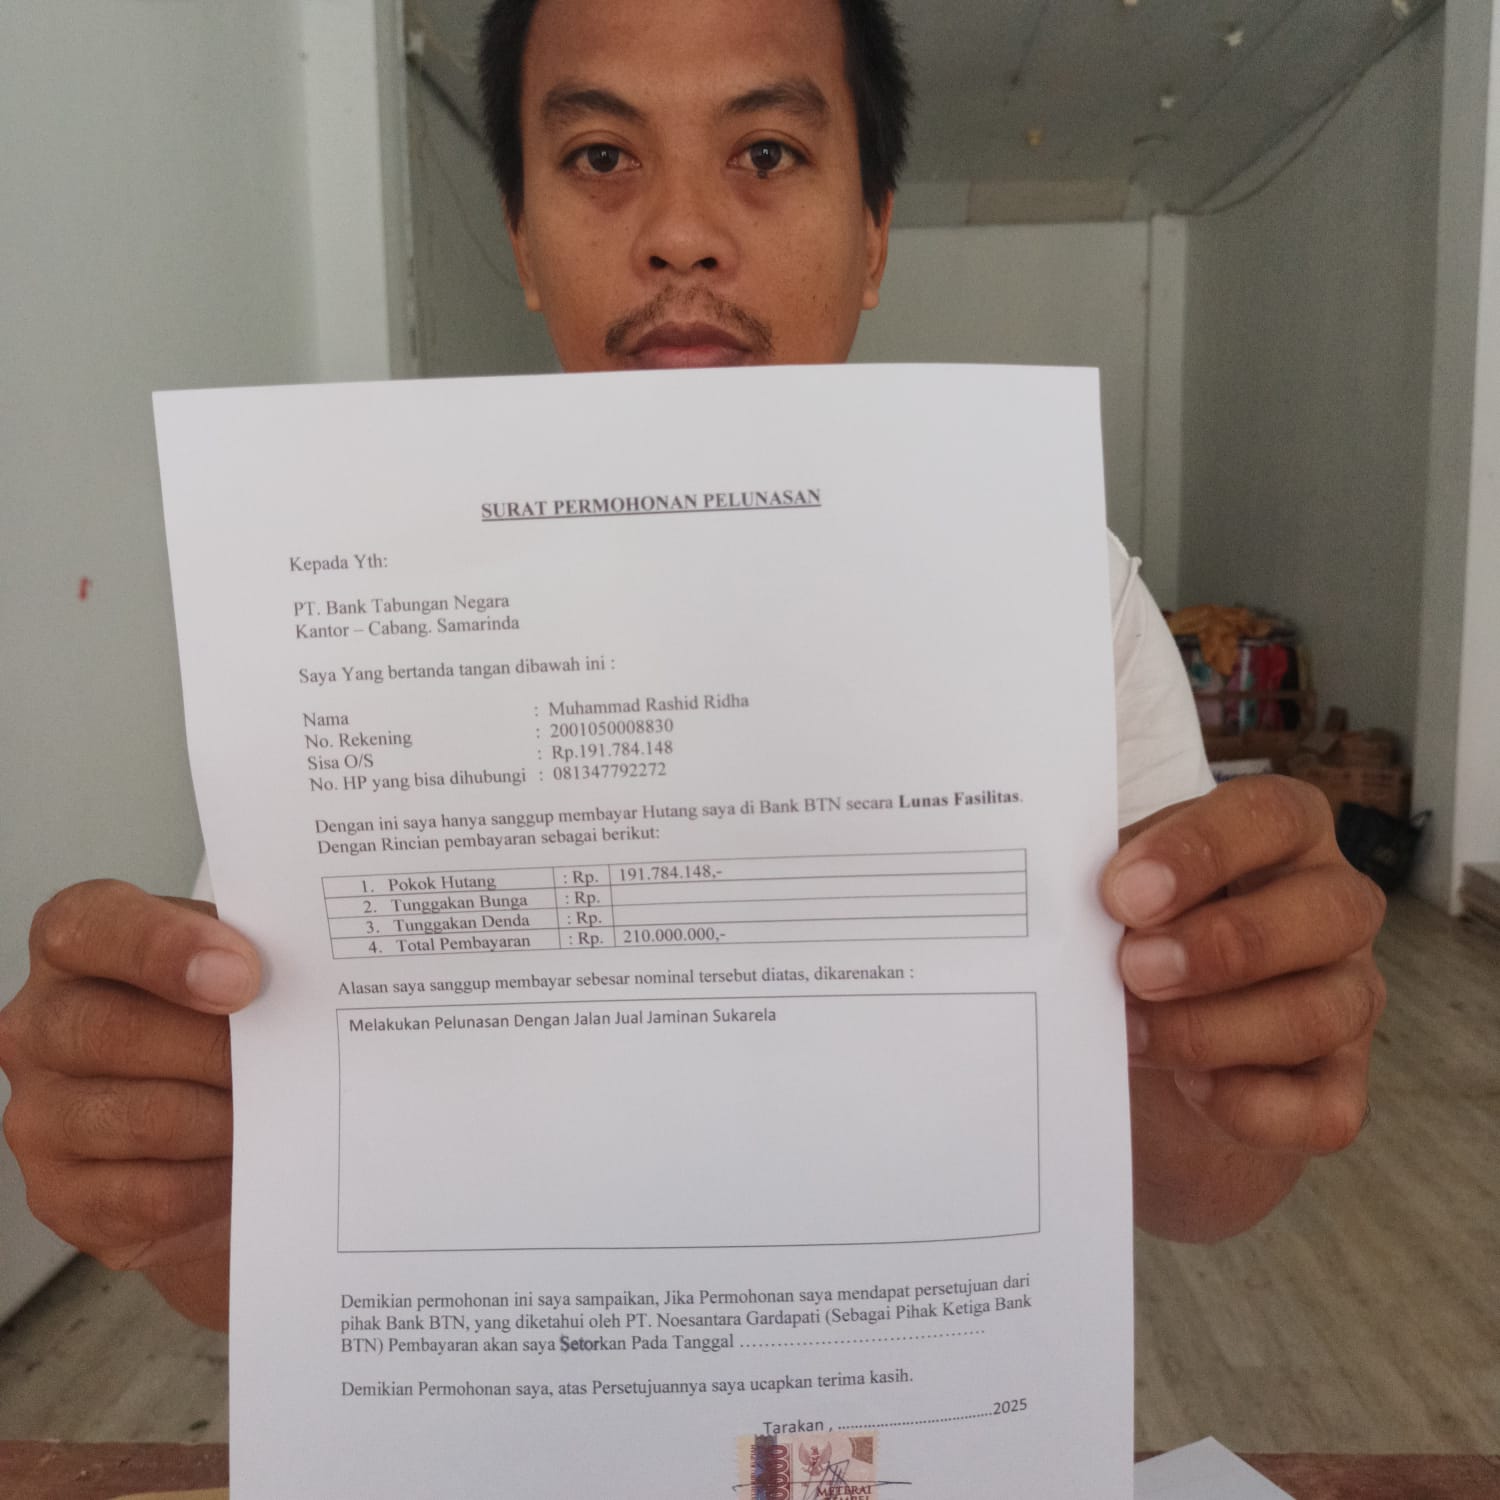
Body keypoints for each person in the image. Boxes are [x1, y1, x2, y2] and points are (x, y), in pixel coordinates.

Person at [0, 0, 1386, 1335]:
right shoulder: (360, 614)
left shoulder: (1055, 597)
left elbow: (1199, 1187)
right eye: (601, 156)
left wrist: (1234, 1054)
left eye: (766, 152)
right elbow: (239, 1260)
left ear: (874, 234)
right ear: (522, 240)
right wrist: (164, 1179)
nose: (679, 234)